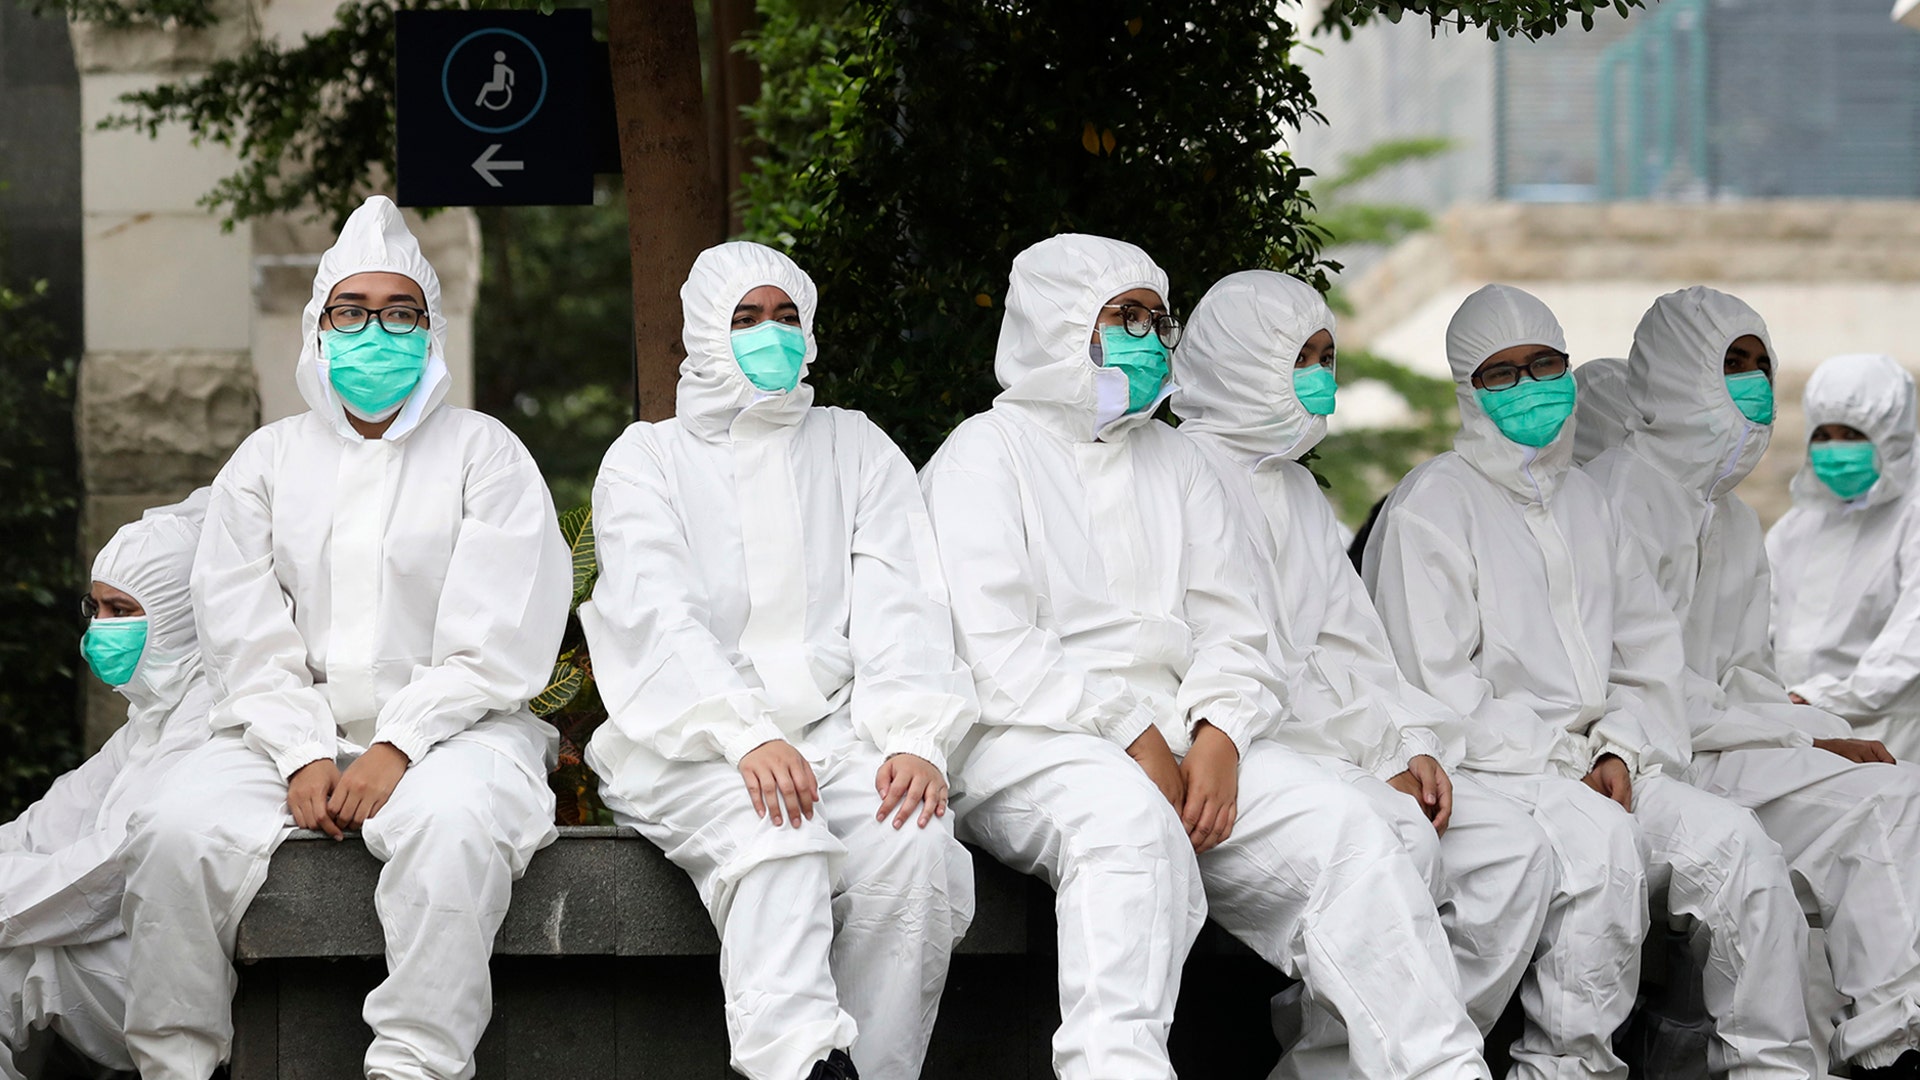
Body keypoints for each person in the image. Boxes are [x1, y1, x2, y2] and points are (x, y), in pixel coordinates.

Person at [921, 234, 1492, 1080]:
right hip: (1029, 737)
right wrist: (1131, 734)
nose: (1149, 338)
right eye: (1126, 317)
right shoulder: (983, 455)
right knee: (1128, 831)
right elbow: (996, 647)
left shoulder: (1177, 461)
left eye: (1157, 319)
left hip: (1185, 739)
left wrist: (1220, 733)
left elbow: (1238, 629)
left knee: (1352, 831)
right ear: (1059, 323)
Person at [119, 195, 571, 1080]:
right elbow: (242, 635)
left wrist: (399, 743)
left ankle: (414, 1066)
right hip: (286, 729)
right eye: (353, 311)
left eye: (401, 313)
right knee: (174, 830)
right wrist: (299, 752)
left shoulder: (487, 453)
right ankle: (175, 1067)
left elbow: (499, 637)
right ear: (318, 328)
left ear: (432, 329)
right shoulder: (267, 461)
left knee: (453, 830)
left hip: (461, 731)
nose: (377, 332)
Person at [1175, 269, 1660, 1080]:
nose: (1320, 377)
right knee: (1386, 838)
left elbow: (1354, 646)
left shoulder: (1293, 489)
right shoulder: (1178, 472)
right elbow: (1205, 652)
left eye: (1328, 356)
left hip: (1336, 746)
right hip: (1239, 750)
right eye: (1301, 356)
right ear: (1240, 359)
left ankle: (1338, 1067)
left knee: (1512, 850)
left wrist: (1404, 744)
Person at [1364, 283, 1822, 1079]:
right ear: (1467, 391)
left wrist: (1621, 748)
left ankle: (1773, 1066)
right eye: (1501, 375)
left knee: (1741, 852)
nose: (1530, 388)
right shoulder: (1435, 505)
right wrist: (1567, 762)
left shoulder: (1587, 500)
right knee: (1600, 858)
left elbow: (1647, 662)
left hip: (1609, 768)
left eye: (1546, 366)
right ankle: (1565, 1066)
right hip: (1497, 774)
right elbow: (1437, 689)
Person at [580, 241, 977, 1080]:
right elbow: (659, 618)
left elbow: (903, 600)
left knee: (915, 848)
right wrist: (744, 733)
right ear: (704, 334)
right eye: (747, 319)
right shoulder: (648, 460)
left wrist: (913, 737)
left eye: (788, 317)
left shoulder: (855, 447)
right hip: (687, 742)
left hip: (839, 734)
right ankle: (796, 1067)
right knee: (777, 836)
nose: (772, 336)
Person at [1584, 290, 1920, 1079]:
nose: (1754, 384)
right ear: (1673, 371)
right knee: (1753, 868)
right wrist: (1803, 733)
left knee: (1891, 798)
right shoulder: (1616, 494)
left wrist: (1811, 729)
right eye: (1729, 363)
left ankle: (1890, 1045)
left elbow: (1745, 674)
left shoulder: (1729, 515)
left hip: (1716, 747)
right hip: (1632, 756)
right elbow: (1636, 682)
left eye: (1760, 364)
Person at [0, 493, 213, 1080]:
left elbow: (107, 874)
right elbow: (50, 823)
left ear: (178, 614)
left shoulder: (215, 719)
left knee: (10, 965)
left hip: (188, 990)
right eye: (95, 609)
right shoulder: (154, 713)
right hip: (133, 955)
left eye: (123, 611)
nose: (100, 630)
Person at [1767, 353, 1920, 760]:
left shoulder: (1912, 515)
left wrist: (1818, 697)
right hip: (1797, 728)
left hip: (1894, 730)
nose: (1835, 450)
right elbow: (1754, 622)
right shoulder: (1797, 526)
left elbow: (1910, 638)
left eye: (1852, 435)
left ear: (1893, 436)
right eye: (1823, 435)